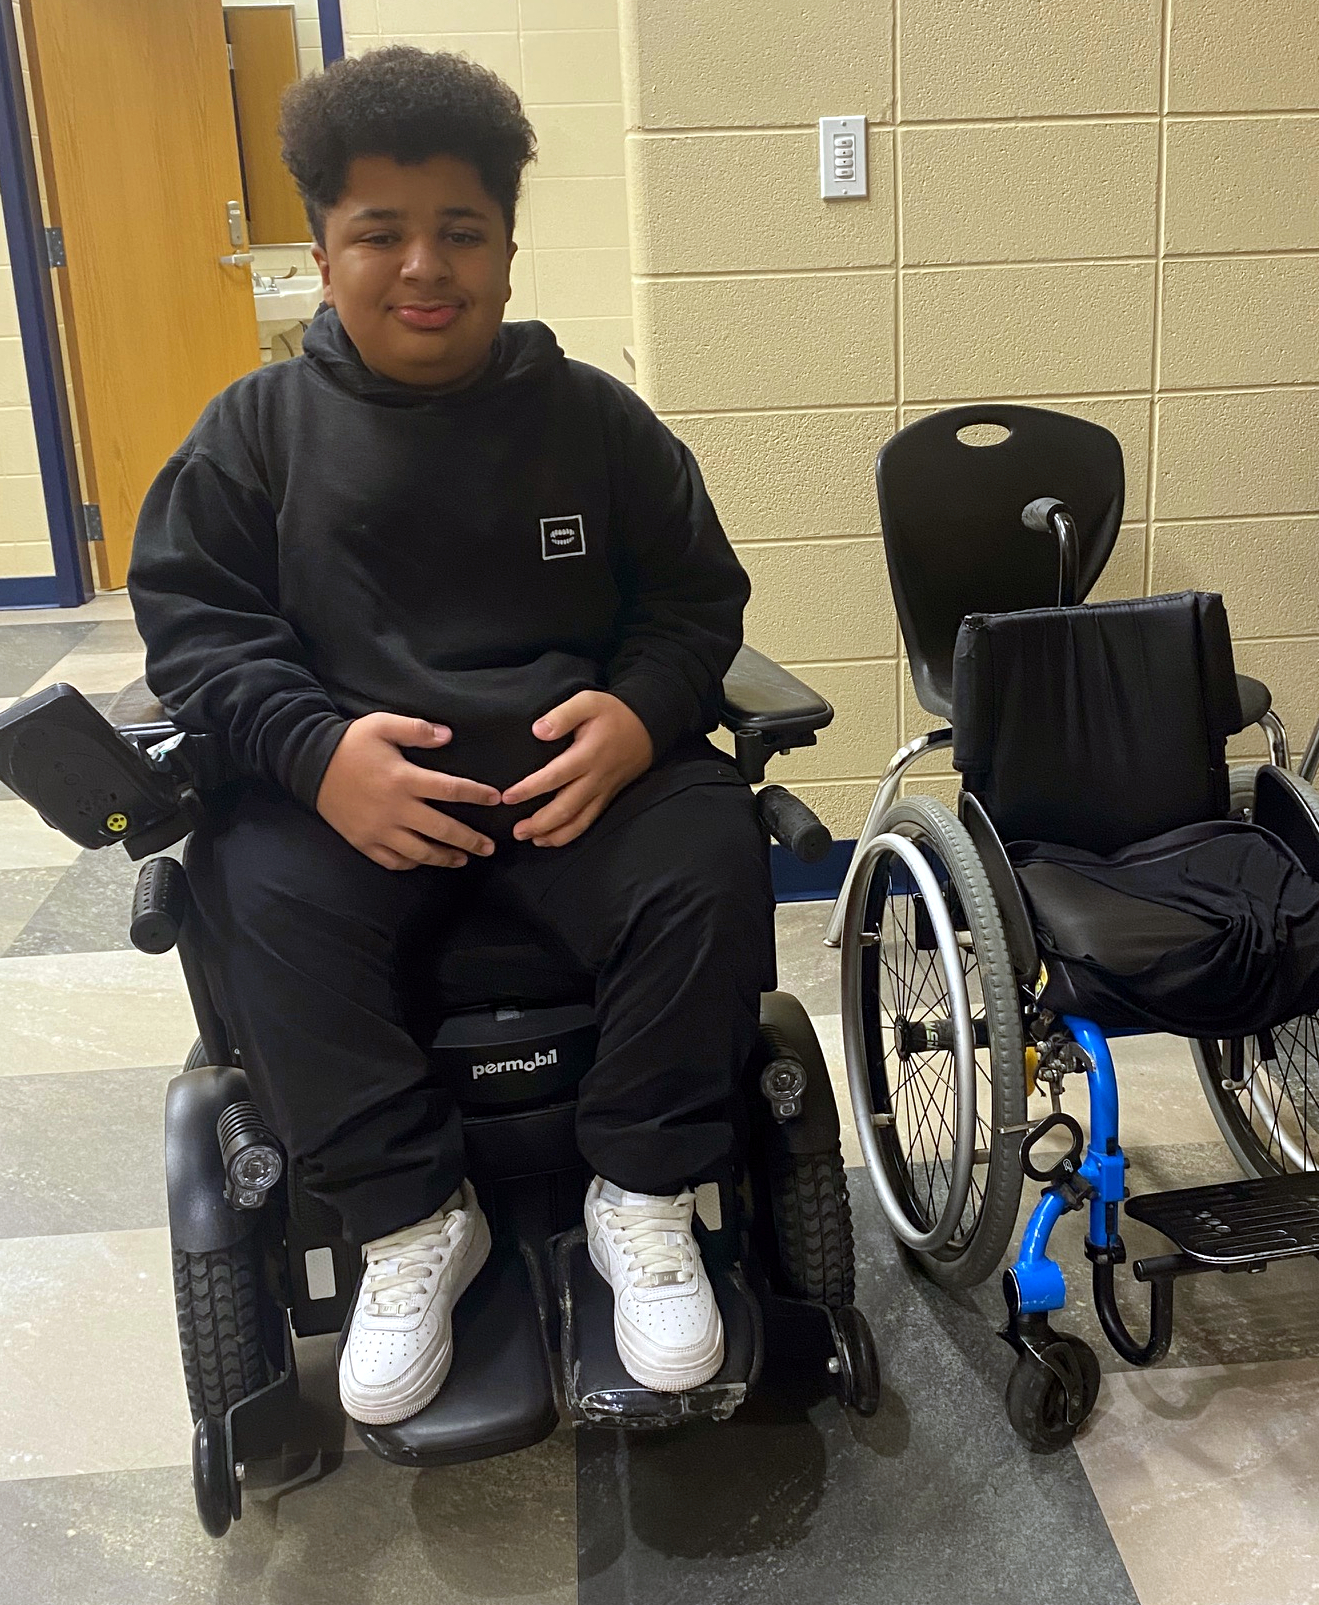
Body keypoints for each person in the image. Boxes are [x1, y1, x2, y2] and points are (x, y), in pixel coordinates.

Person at [128, 46, 774, 1425]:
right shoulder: (254, 434)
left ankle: (644, 1196)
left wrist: (639, 714)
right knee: (242, 881)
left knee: (711, 842)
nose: (424, 267)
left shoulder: (594, 422)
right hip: (351, 805)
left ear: (508, 250)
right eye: (381, 233)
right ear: (322, 254)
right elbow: (196, 629)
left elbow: (694, 602)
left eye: (461, 232)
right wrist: (315, 756)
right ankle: (414, 1222)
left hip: (577, 793)